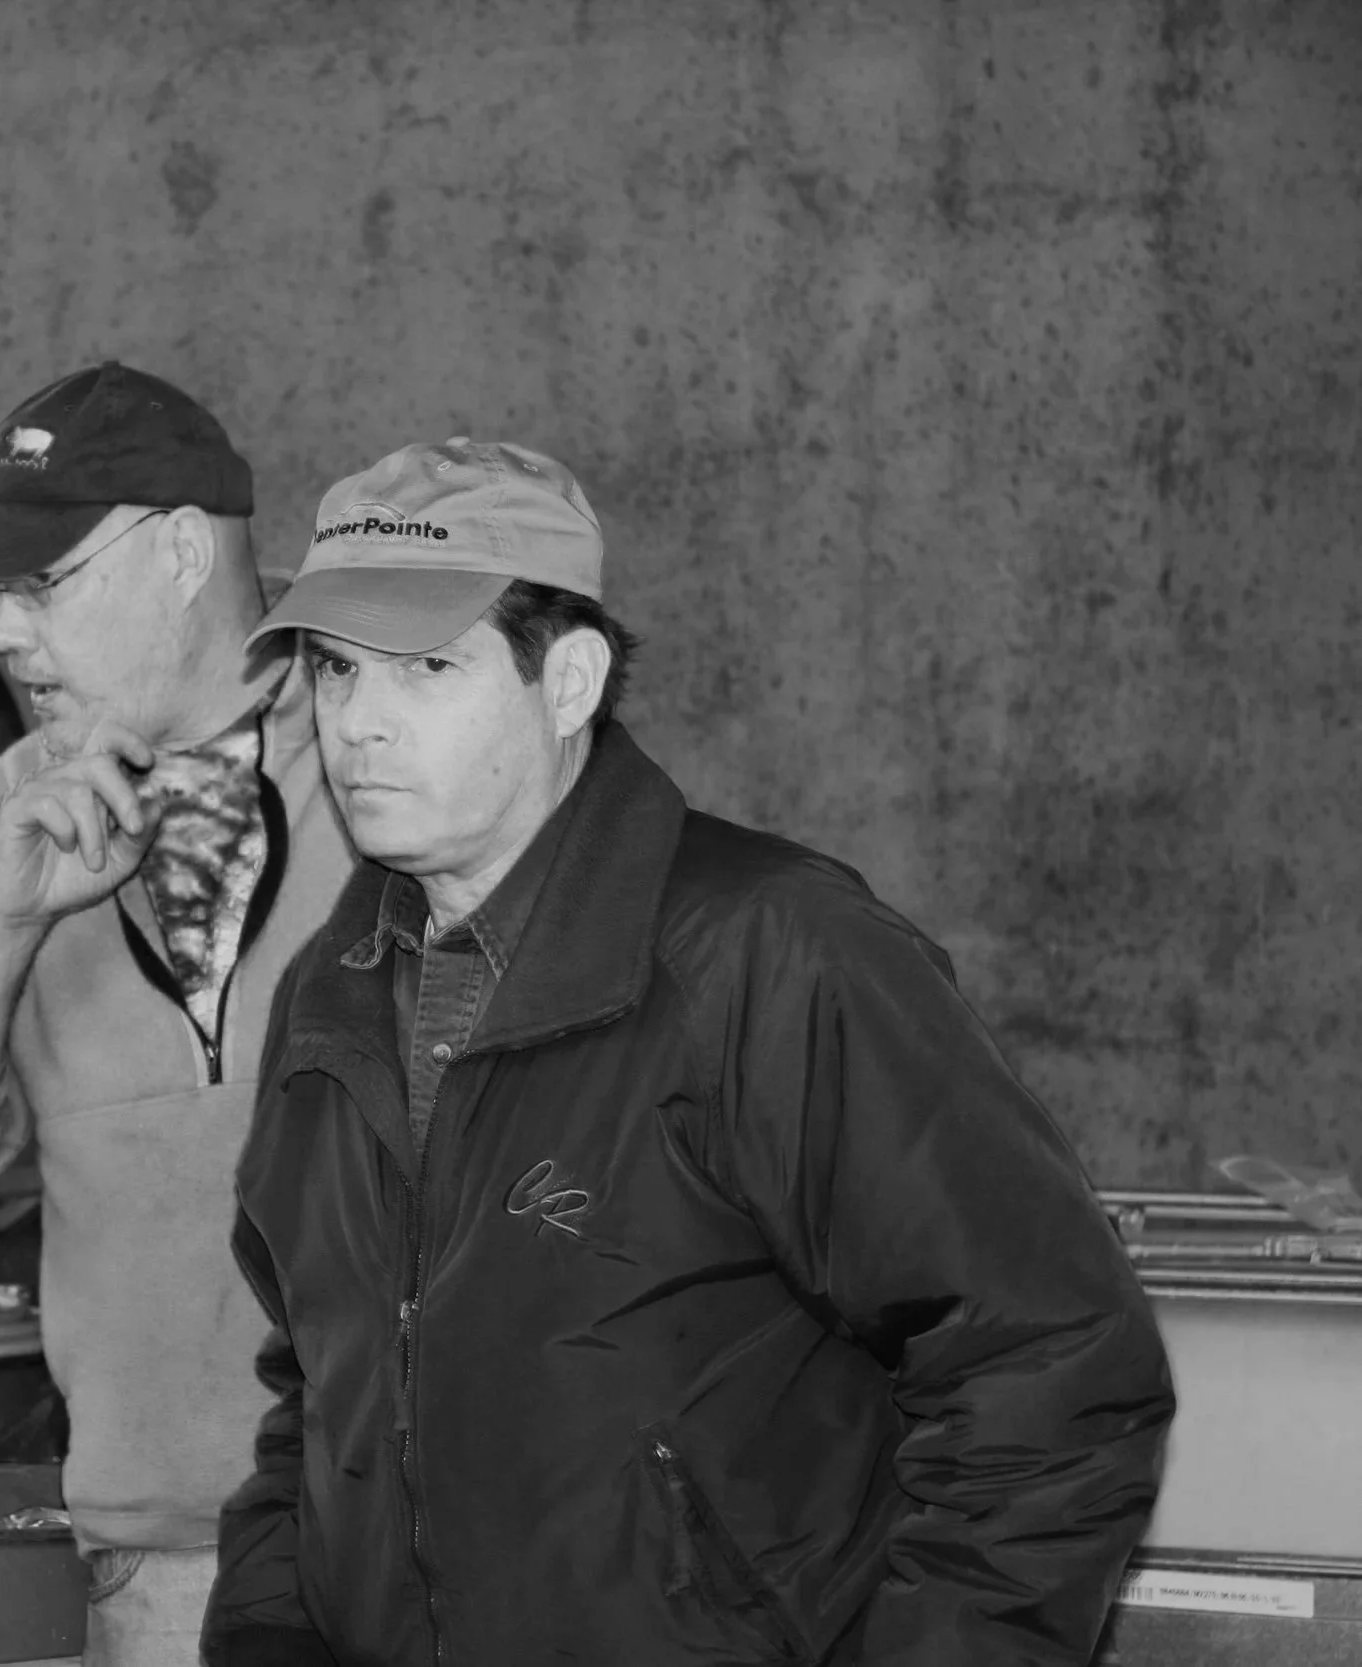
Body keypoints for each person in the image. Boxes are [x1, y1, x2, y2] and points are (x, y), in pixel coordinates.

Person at [201, 438, 1175, 1666]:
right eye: (335, 669)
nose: (359, 724)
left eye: (426, 668)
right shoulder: (330, 991)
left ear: (566, 682)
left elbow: (1051, 1368)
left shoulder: (773, 956)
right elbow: (320, 1395)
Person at [0, 362, 355, 1666]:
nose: (0, 635)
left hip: (416, 1527)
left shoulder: (388, 744)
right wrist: (1, 923)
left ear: (181, 550)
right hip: (158, 1556)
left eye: (38, 585)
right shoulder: (19, 801)